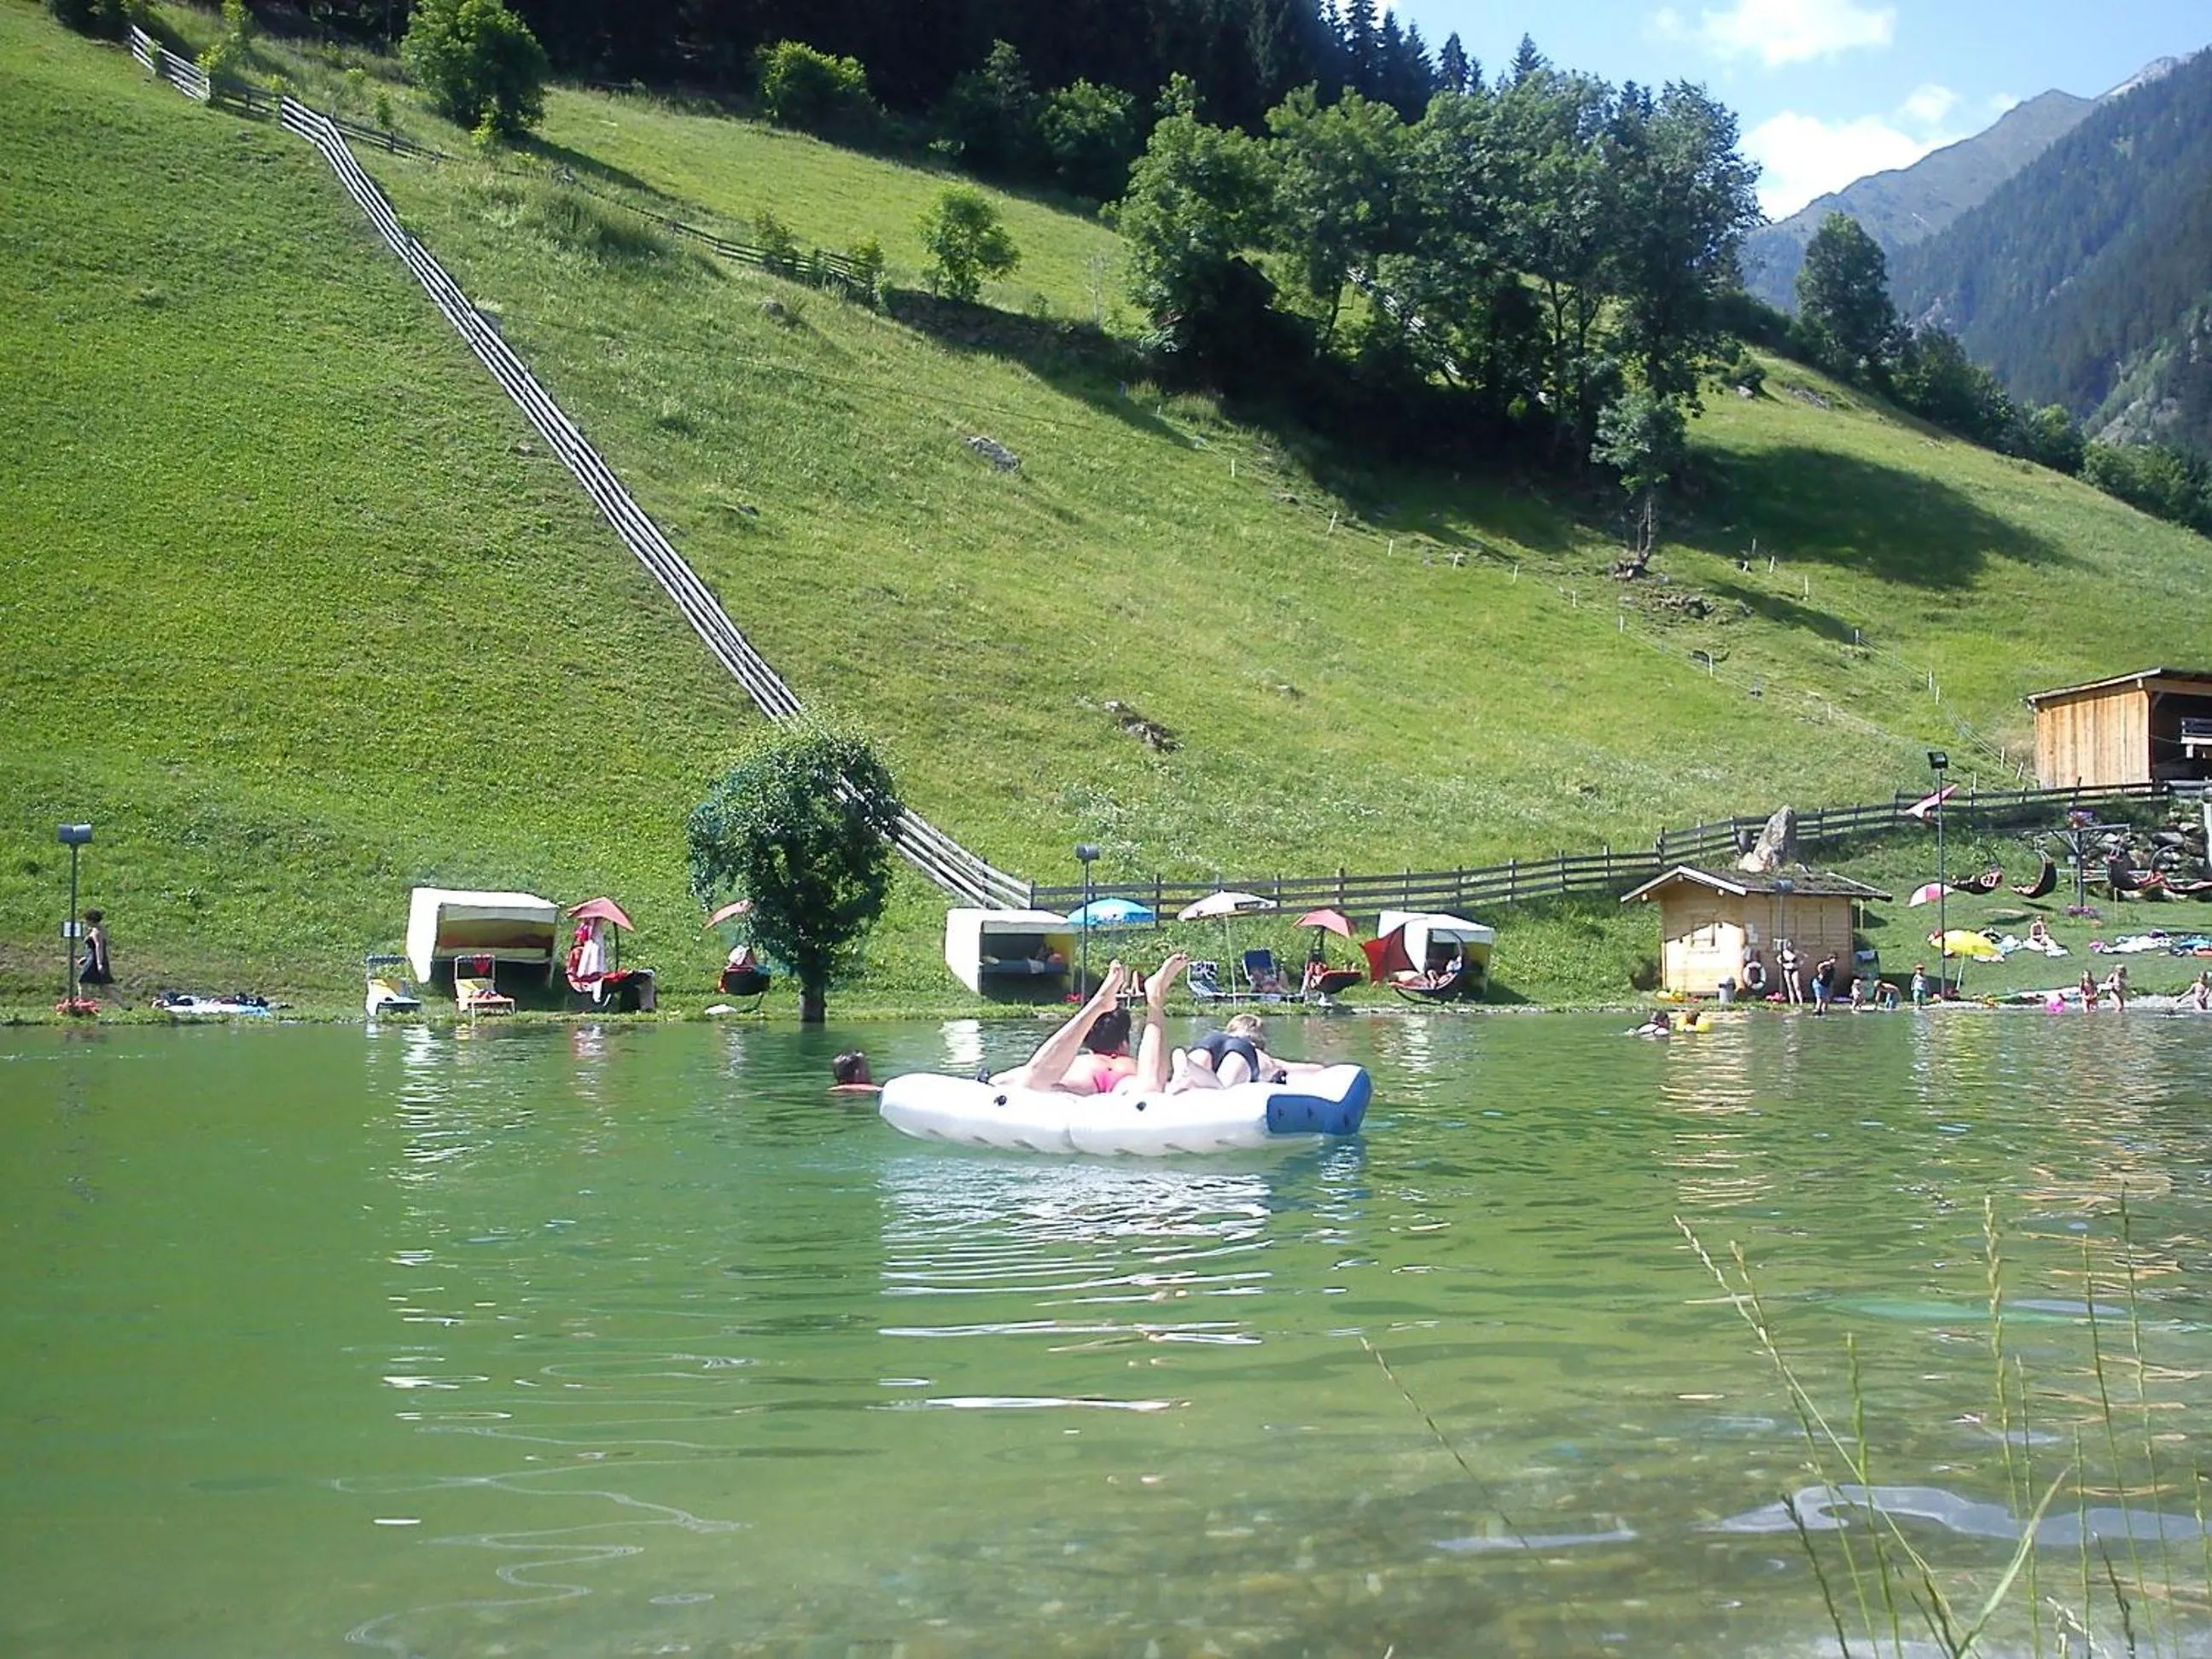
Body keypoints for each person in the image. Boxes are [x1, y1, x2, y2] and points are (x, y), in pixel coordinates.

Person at [78, 909, 114, 987]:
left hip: (94, 960)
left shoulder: (96, 932)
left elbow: (98, 946)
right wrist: (85, 957)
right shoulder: (100, 929)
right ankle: (120, 999)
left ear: (91, 920)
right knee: (103, 986)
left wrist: (99, 963)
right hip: (94, 958)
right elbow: (92, 947)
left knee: (83, 980)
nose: (85, 922)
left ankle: (84, 998)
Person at [1778, 940, 1803, 1006]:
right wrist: (1783, 963)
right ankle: (1792, 1001)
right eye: (1788, 944)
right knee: (1789, 986)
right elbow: (1779, 959)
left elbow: (1801, 958)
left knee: (1797, 986)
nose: (1790, 946)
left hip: (1795, 969)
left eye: (1791, 944)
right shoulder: (1784, 953)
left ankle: (1800, 1001)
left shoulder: (1795, 952)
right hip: (1787, 969)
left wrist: (1799, 963)